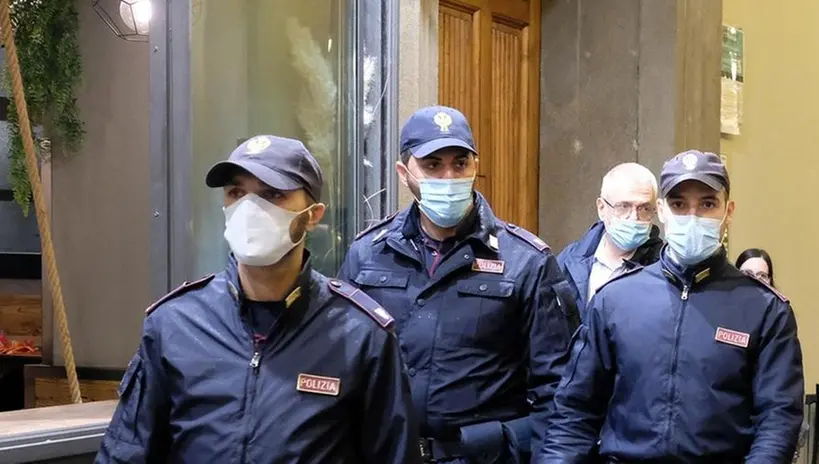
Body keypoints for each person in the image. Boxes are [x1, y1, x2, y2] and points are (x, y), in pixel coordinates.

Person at [96, 136, 420, 463]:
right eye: (236, 193)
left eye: (272, 194)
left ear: (313, 215)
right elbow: (126, 452)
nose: (250, 208)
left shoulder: (361, 335)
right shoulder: (175, 325)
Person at [338, 105, 574, 463]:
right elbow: (342, 367)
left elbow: (559, 392)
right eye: (433, 165)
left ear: (475, 166)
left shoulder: (527, 262)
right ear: (405, 173)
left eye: (460, 163)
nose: (449, 177)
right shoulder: (368, 254)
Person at [537, 150, 804, 463]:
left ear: (728, 211)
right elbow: (574, 412)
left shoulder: (764, 309)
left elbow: (777, 421)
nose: (692, 216)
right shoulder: (616, 299)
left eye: (707, 204)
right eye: (679, 204)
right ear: (661, 211)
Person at [556, 163, 663, 316]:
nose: (634, 217)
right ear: (601, 208)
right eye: (623, 206)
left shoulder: (662, 268)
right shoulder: (570, 260)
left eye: (644, 208)